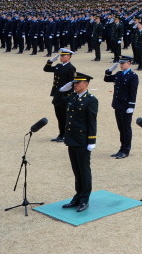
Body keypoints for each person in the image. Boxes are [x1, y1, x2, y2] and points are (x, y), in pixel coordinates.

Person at [60, 72, 97, 212]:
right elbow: (57, 100)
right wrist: (64, 88)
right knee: (76, 170)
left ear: (86, 84)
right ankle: (78, 195)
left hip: (82, 140)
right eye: (74, 83)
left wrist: (92, 140)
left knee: (84, 170)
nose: (75, 85)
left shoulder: (91, 100)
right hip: (72, 139)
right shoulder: (72, 97)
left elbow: (92, 121)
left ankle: (84, 198)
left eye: (78, 83)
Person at [104, 55, 139, 158]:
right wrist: (109, 71)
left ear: (129, 63)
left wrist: (131, 106)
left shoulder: (133, 76)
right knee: (121, 128)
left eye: (123, 63)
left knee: (126, 128)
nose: (121, 65)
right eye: (120, 63)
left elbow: (133, 92)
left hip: (126, 106)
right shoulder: (119, 74)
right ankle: (121, 148)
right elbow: (106, 79)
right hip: (118, 104)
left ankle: (126, 149)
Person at [43, 48, 76, 142]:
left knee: (64, 116)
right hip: (57, 94)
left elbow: (72, 83)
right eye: (61, 55)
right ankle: (61, 134)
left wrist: (69, 96)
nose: (61, 57)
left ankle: (65, 135)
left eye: (63, 55)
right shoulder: (59, 66)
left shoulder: (71, 68)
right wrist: (50, 61)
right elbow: (46, 69)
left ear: (69, 57)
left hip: (65, 95)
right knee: (59, 116)